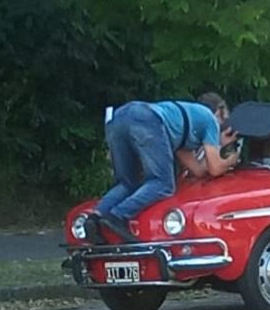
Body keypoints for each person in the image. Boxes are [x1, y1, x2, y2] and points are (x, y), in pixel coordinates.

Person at [90, 92, 238, 243]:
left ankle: (94, 219)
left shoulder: (184, 129)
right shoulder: (210, 119)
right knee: (163, 184)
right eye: (225, 118)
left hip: (120, 117)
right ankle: (118, 216)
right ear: (219, 111)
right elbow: (215, 168)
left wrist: (218, 146)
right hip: (147, 120)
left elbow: (199, 170)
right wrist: (232, 159)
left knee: (128, 183)